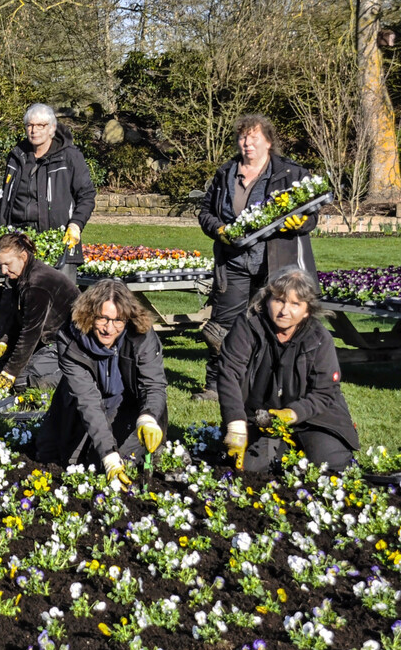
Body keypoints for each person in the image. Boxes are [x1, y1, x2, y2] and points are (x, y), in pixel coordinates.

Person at [196, 114, 320, 401]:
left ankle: (279, 385)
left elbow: (311, 216)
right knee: (223, 325)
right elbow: (205, 213)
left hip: (275, 262)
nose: (247, 143)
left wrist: (299, 222)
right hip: (234, 261)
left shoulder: (290, 173)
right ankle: (215, 386)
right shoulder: (226, 173)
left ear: (268, 141)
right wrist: (220, 229)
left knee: (276, 322)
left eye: (253, 137)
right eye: (242, 137)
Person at [219, 268, 358, 472]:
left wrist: (293, 414)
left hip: (315, 417)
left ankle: (306, 446)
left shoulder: (319, 338)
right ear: (266, 300)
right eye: (279, 300)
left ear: (307, 310)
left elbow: (325, 391)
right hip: (263, 417)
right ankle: (282, 449)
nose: (284, 311)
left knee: (331, 466)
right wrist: (235, 423)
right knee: (250, 469)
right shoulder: (247, 325)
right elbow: (229, 373)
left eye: (295, 304)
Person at [37, 279, 168, 490]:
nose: (109, 328)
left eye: (118, 320)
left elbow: (153, 384)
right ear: (89, 315)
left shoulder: (141, 335)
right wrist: (108, 454)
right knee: (57, 458)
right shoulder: (71, 340)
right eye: (103, 319)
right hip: (83, 400)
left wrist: (149, 418)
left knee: (118, 463)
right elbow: (87, 399)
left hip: (127, 403)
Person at [0, 103, 95, 283]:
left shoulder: (69, 157)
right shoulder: (16, 157)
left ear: (52, 128)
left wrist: (76, 224)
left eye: (40, 125)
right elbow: (8, 199)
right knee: (21, 296)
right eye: (30, 125)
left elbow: (87, 196)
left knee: (59, 296)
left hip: (58, 239)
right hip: (19, 240)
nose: (34, 130)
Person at [0, 232, 79, 392]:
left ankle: (70, 376)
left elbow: (30, 333)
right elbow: (18, 320)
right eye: (0, 265)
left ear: (23, 256)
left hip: (68, 343)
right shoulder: (21, 276)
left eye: (7, 264)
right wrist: (4, 341)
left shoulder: (37, 285)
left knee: (19, 381)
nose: (3, 270)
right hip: (47, 339)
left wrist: (10, 372)